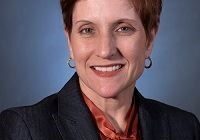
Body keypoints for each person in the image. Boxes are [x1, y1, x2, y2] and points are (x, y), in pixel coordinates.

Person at [0, 0, 200, 139]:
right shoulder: (23, 129)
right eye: (87, 30)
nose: (105, 51)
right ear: (70, 40)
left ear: (150, 39)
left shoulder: (185, 127)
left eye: (123, 28)